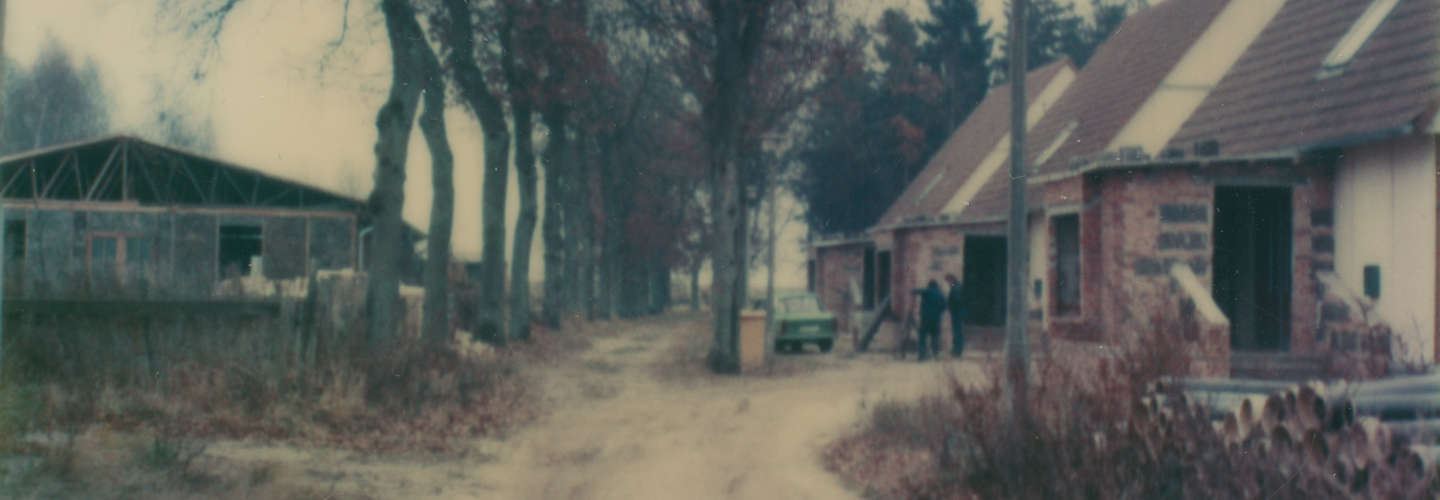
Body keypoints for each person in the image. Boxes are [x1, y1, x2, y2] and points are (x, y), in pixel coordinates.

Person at [911, 280, 946, 362]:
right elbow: (943, 307)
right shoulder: (940, 294)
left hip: (926, 318)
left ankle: (922, 356)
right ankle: (936, 355)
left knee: (922, 337)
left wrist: (911, 290)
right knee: (935, 337)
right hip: (936, 319)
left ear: (929, 285)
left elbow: (916, 291)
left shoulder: (927, 291)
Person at [945, 274, 966, 358]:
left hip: (957, 312)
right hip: (958, 311)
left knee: (957, 331)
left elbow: (956, 299)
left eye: (948, 281)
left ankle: (957, 350)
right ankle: (956, 349)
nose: (947, 283)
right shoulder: (956, 286)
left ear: (951, 280)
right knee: (957, 331)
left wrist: (951, 307)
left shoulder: (955, 287)